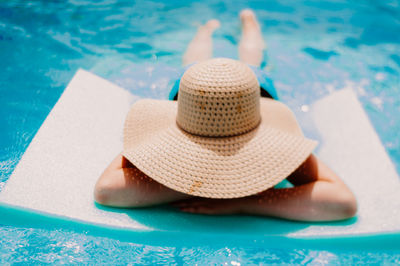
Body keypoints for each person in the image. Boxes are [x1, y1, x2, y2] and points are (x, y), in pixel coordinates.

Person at [94, 10, 357, 222]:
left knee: (253, 63)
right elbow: (106, 191)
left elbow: (343, 203)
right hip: (192, 94)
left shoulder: (275, 145)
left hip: (252, 92)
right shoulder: (176, 119)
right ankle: (207, 29)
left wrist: (243, 202)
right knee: (194, 63)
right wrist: (196, 185)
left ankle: (247, 22)